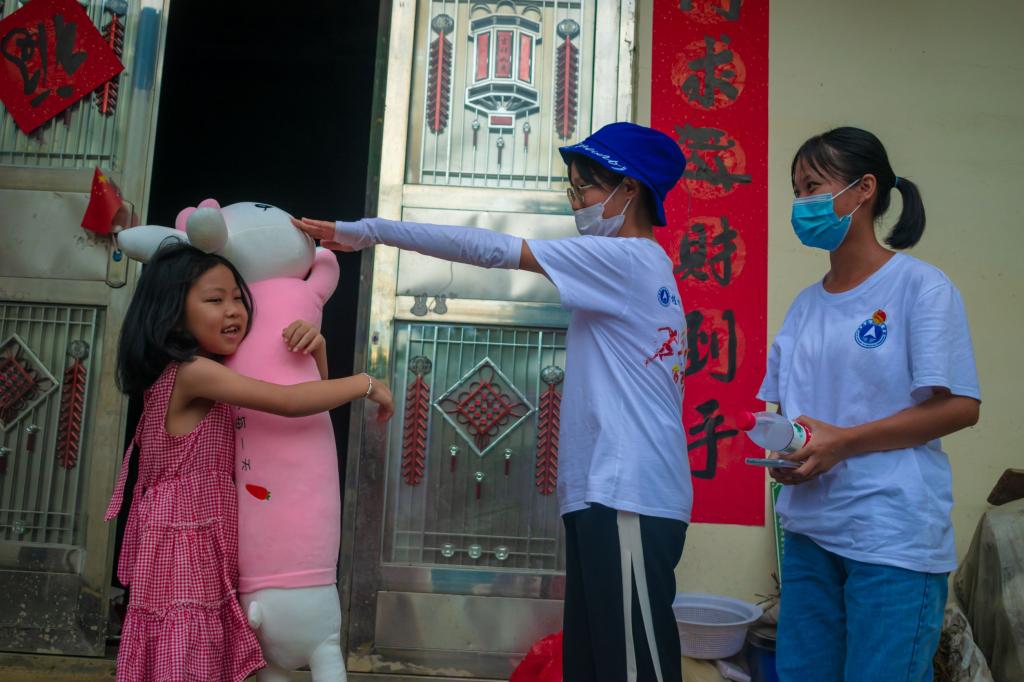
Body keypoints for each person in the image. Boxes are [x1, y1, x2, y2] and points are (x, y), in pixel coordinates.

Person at [293, 121, 691, 682]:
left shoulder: (625, 260)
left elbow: (487, 248)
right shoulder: (637, 267)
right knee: (594, 666)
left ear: (630, 188)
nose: (576, 201)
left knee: (632, 670)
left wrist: (369, 232)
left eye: (585, 187)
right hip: (608, 495)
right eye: (572, 188)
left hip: (629, 496)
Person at [104, 241, 393, 681]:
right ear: (172, 312)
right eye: (215, 300)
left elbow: (305, 399)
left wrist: (315, 351)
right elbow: (287, 401)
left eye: (239, 298)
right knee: (188, 647)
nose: (234, 310)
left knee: (188, 647)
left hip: (188, 533)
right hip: (185, 538)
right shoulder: (194, 372)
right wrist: (367, 383)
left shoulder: (193, 372)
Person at [759, 126, 981, 681]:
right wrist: (787, 451)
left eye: (813, 187)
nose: (801, 203)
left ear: (863, 189)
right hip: (810, 534)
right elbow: (786, 413)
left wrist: (843, 443)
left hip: (891, 538)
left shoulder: (920, 288)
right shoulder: (805, 306)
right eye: (796, 190)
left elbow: (960, 406)